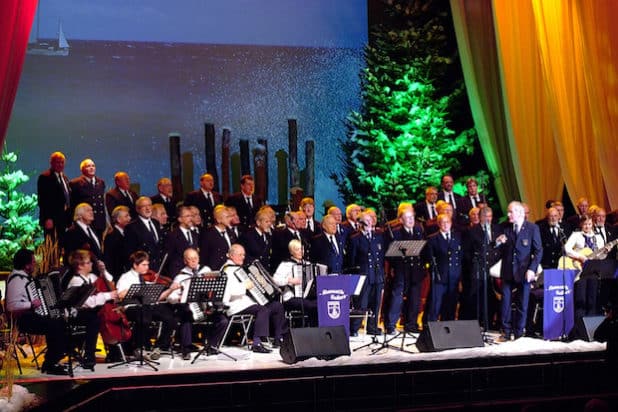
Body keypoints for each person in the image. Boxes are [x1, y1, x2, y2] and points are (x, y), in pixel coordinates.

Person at [5, 249, 68, 375]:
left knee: (59, 321)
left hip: (30, 316)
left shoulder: (26, 278)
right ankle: (50, 363)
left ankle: (54, 359)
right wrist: (31, 304)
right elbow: (11, 306)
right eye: (33, 262)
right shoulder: (16, 280)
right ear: (26, 265)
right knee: (54, 324)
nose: (35, 264)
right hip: (22, 320)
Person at [221, 244, 287, 353]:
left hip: (248, 303)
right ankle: (257, 343)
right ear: (231, 256)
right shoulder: (227, 270)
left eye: (243, 255)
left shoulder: (240, 268)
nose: (243, 257)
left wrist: (260, 285)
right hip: (235, 305)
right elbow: (228, 292)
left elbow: (253, 287)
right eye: (240, 255)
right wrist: (245, 286)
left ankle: (278, 339)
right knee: (262, 310)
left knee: (277, 306)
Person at [166, 248, 228, 360]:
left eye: (195, 258)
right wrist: (179, 298)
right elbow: (170, 297)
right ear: (185, 261)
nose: (194, 261)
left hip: (206, 307)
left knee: (223, 320)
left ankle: (212, 345)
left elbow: (214, 289)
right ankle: (186, 349)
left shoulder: (206, 270)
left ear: (199, 258)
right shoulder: (181, 276)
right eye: (190, 259)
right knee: (185, 316)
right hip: (189, 308)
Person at [117, 251, 179, 360]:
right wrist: (137, 291)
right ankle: (140, 348)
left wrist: (171, 289)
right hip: (131, 308)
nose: (147, 267)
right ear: (135, 265)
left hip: (146, 306)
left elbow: (157, 298)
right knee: (144, 316)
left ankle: (160, 346)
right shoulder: (126, 277)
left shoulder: (144, 278)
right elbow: (119, 294)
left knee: (170, 317)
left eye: (147, 264)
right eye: (144, 265)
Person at [495, 201, 543, 341]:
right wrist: (498, 242)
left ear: (520, 213)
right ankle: (506, 331)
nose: (508, 215)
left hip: (524, 272)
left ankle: (519, 333)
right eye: (508, 212)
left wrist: (532, 269)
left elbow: (538, 250)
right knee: (505, 303)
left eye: (511, 212)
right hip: (508, 271)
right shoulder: (504, 227)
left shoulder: (532, 228)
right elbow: (495, 248)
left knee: (523, 303)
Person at [66, 250, 118, 370]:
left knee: (97, 317)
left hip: (91, 312)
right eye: (88, 262)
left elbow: (108, 280)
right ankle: (89, 356)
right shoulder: (76, 281)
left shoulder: (91, 277)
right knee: (93, 320)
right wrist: (108, 296)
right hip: (77, 314)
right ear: (80, 265)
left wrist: (103, 270)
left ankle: (114, 350)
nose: (91, 265)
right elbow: (87, 303)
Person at [383, 205, 426, 333]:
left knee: (415, 297)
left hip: (416, 269)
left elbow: (423, 249)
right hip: (401, 269)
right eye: (407, 217)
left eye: (412, 217)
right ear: (401, 220)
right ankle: (391, 325)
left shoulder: (419, 231)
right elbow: (389, 252)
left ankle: (411, 324)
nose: (411, 220)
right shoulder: (395, 233)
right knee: (397, 296)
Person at [348, 211, 386, 336]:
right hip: (363, 274)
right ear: (360, 223)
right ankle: (354, 328)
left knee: (375, 302)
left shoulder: (378, 236)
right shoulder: (355, 238)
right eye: (366, 221)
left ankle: (372, 327)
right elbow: (352, 259)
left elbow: (380, 255)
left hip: (377, 274)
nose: (369, 223)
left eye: (370, 220)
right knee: (361, 302)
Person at [564, 215, 606, 327]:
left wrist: (605, 252)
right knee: (580, 299)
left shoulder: (597, 237)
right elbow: (567, 249)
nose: (587, 226)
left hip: (593, 271)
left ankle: (591, 329)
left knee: (592, 300)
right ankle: (579, 329)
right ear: (581, 224)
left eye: (589, 224)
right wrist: (580, 256)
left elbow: (601, 256)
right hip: (580, 271)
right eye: (585, 224)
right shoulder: (576, 235)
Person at [425, 213, 463, 322]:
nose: (445, 225)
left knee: (451, 306)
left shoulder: (457, 237)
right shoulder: (432, 239)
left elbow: (460, 257)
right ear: (438, 224)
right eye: (442, 222)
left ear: (451, 223)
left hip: (454, 277)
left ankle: (448, 331)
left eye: (447, 222)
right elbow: (430, 259)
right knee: (435, 307)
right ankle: (431, 331)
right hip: (439, 278)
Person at [273, 239, 319, 326]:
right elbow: (275, 280)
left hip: (306, 296)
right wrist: (289, 280)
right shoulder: (286, 264)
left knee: (320, 303)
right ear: (291, 251)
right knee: (312, 305)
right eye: (297, 249)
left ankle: (317, 329)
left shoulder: (308, 264)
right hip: (291, 297)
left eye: (302, 249)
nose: (301, 252)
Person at [37, 151, 71, 247]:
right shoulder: (45, 177)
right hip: (52, 219)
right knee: (52, 245)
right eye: (57, 162)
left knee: (62, 245)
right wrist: (47, 218)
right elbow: (43, 200)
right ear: (51, 163)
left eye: (62, 162)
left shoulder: (65, 178)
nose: (60, 164)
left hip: (64, 219)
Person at [125, 197, 165, 273]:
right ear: (137, 209)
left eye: (149, 205)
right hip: (145, 269)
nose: (148, 208)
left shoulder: (156, 222)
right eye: (144, 206)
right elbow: (131, 252)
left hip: (160, 268)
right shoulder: (131, 227)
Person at [69, 158, 106, 237]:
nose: (92, 168)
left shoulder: (101, 182)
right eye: (88, 166)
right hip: (84, 222)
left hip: (99, 223)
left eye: (93, 166)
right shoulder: (75, 183)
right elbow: (73, 205)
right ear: (82, 169)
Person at [165, 205, 200, 277]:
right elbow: (169, 258)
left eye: (191, 216)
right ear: (180, 219)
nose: (191, 219)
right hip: (179, 274)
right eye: (187, 216)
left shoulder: (195, 234)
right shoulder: (172, 235)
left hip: (193, 273)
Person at [199, 204, 234, 270]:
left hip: (230, 268)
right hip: (215, 270)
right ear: (218, 220)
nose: (230, 219)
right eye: (227, 217)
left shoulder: (231, 232)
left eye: (230, 216)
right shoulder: (208, 235)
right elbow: (203, 256)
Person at [102, 205, 131, 282]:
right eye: (126, 216)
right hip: (117, 275)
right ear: (118, 219)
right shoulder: (111, 236)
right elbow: (109, 259)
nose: (130, 218)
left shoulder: (127, 233)